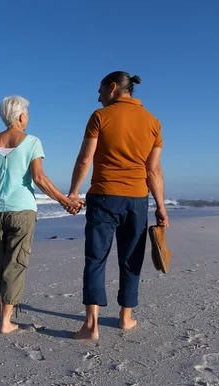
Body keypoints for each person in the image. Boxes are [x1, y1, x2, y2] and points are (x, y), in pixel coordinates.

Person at [67, 72, 169, 340]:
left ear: (113, 88)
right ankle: (126, 318)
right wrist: (161, 206)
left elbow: (84, 160)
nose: (98, 95)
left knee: (96, 258)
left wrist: (73, 193)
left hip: (103, 197)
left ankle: (91, 326)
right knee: (131, 258)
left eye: (100, 90)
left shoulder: (100, 116)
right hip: (138, 200)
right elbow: (154, 171)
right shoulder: (153, 122)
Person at [0, 95, 84, 334]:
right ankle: (6, 321)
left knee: (1, 262)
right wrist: (65, 201)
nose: (28, 118)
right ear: (21, 115)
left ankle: (3, 311)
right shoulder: (32, 141)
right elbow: (39, 179)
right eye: (27, 114)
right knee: (15, 264)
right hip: (22, 211)